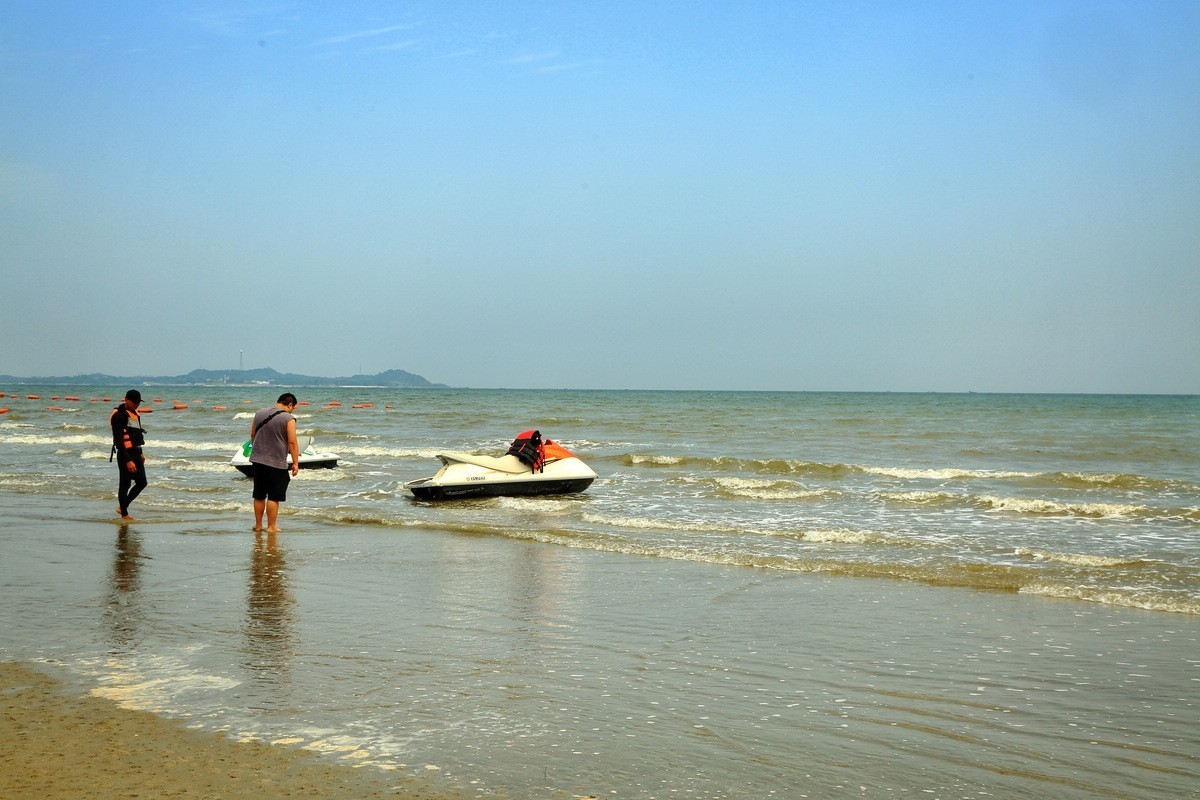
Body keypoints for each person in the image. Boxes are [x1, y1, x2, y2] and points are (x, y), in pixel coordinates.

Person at [249, 393, 301, 532]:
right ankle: (271, 527)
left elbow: (253, 435)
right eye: (293, 408)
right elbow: (292, 442)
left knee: (259, 494)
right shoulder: (288, 418)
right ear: (290, 405)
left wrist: (258, 451)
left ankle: (258, 526)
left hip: (257, 460)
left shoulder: (259, 413)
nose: (292, 411)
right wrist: (296, 463)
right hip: (276, 462)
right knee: (274, 496)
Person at [110, 389, 147, 521]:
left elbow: (136, 436)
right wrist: (128, 460)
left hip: (136, 452)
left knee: (142, 482)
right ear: (126, 400)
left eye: (138, 402)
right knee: (125, 484)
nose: (136, 405)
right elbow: (119, 441)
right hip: (125, 454)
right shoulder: (119, 416)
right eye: (134, 402)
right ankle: (124, 514)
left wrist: (140, 452)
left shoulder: (135, 414)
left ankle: (122, 507)